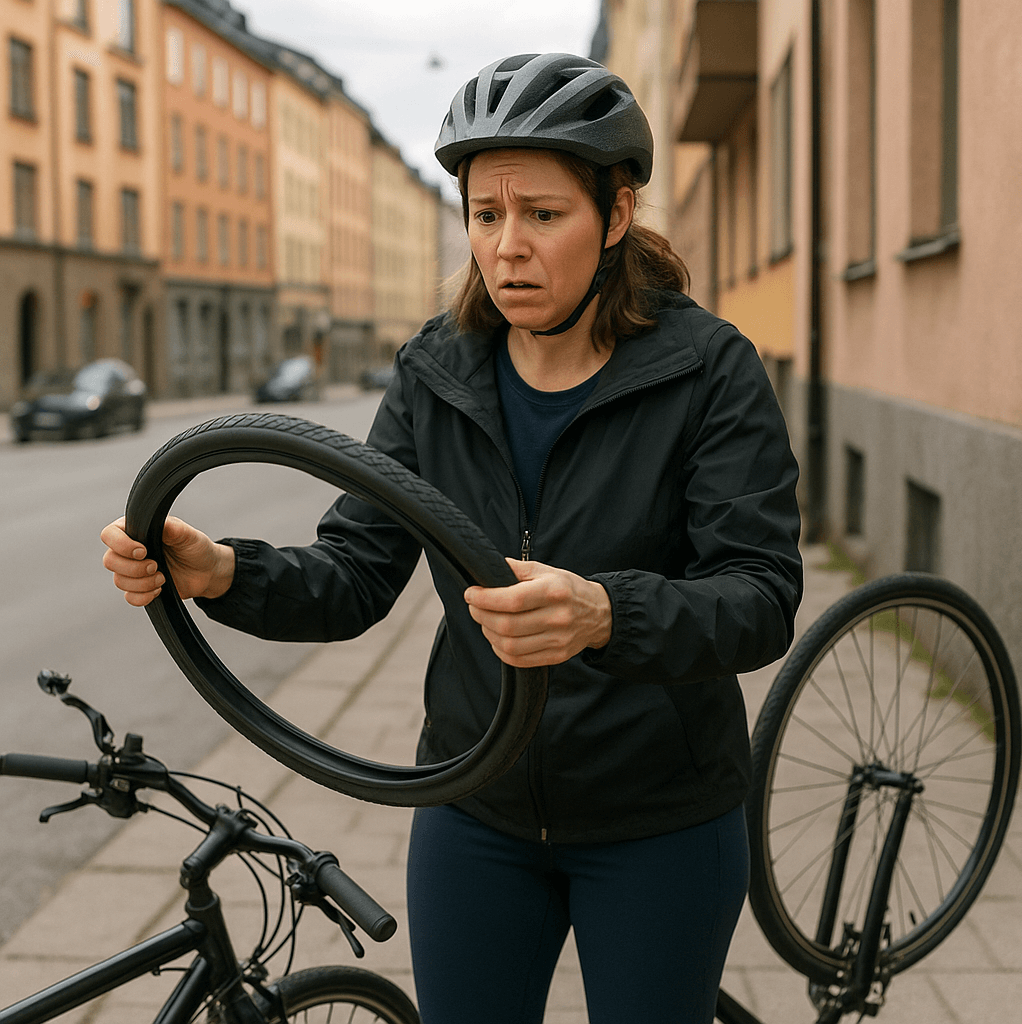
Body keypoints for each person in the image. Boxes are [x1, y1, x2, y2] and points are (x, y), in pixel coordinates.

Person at [101, 53, 802, 1024]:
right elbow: (356, 574)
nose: (507, 247)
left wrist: (605, 612)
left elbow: (760, 596)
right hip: (475, 804)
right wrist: (221, 571)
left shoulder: (709, 370)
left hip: (658, 818)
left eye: (542, 214)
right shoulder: (437, 372)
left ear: (615, 214)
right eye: (485, 214)